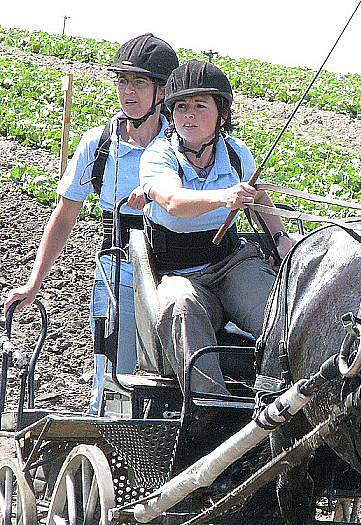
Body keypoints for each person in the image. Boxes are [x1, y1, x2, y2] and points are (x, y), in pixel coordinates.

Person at [3, 34, 179, 414]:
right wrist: (34, 284)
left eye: (139, 83)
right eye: (122, 82)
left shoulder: (182, 142)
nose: (127, 93)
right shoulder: (97, 144)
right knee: (114, 375)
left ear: (162, 91)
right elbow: (64, 216)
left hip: (174, 272)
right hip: (117, 273)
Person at [140, 59, 294, 395]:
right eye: (181, 107)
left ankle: (286, 397)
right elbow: (172, 202)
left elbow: (259, 199)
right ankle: (210, 406)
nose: (189, 115)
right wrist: (224, 198)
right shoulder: (158, 156)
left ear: (222, 114)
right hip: (181, 275)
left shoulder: (237, 154)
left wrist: (282, 240)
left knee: (281, 312)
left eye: (199, 106)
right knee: (178, 306)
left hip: (233, 264)